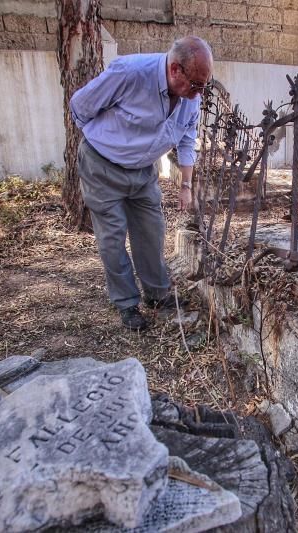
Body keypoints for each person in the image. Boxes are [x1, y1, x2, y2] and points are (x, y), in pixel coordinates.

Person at [69, 36, 213, 331]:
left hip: (143, 170)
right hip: (102, 167)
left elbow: (187, 139)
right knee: (112, 237)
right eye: (196, 84)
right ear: (175, 70)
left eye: (203, 86)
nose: (199, 93)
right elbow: (80, 105)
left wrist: (186, 185)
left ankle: (157, 294)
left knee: (151, 230)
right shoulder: (130, 73)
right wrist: (105, 141)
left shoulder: (189, 100)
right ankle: (127, 303)